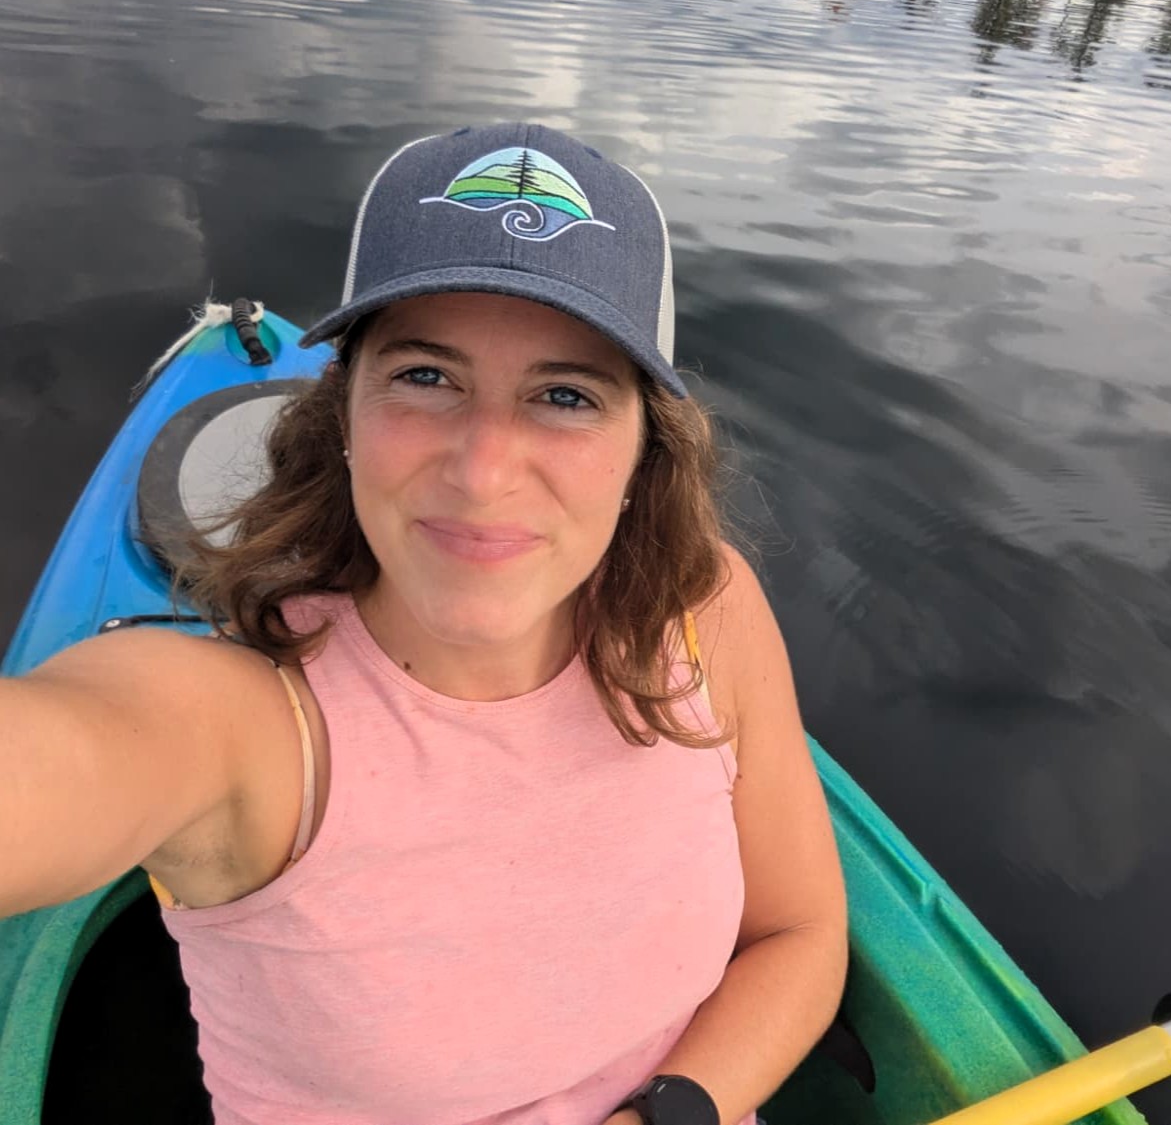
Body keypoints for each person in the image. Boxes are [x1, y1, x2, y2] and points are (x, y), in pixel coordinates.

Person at [1, 123, 847, 1125]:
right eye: (425, 377)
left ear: (641, 460)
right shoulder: (247, 727)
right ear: (343, 416)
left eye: (566, 395)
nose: (484, 471)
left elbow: (798, 932)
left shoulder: (702, 614)